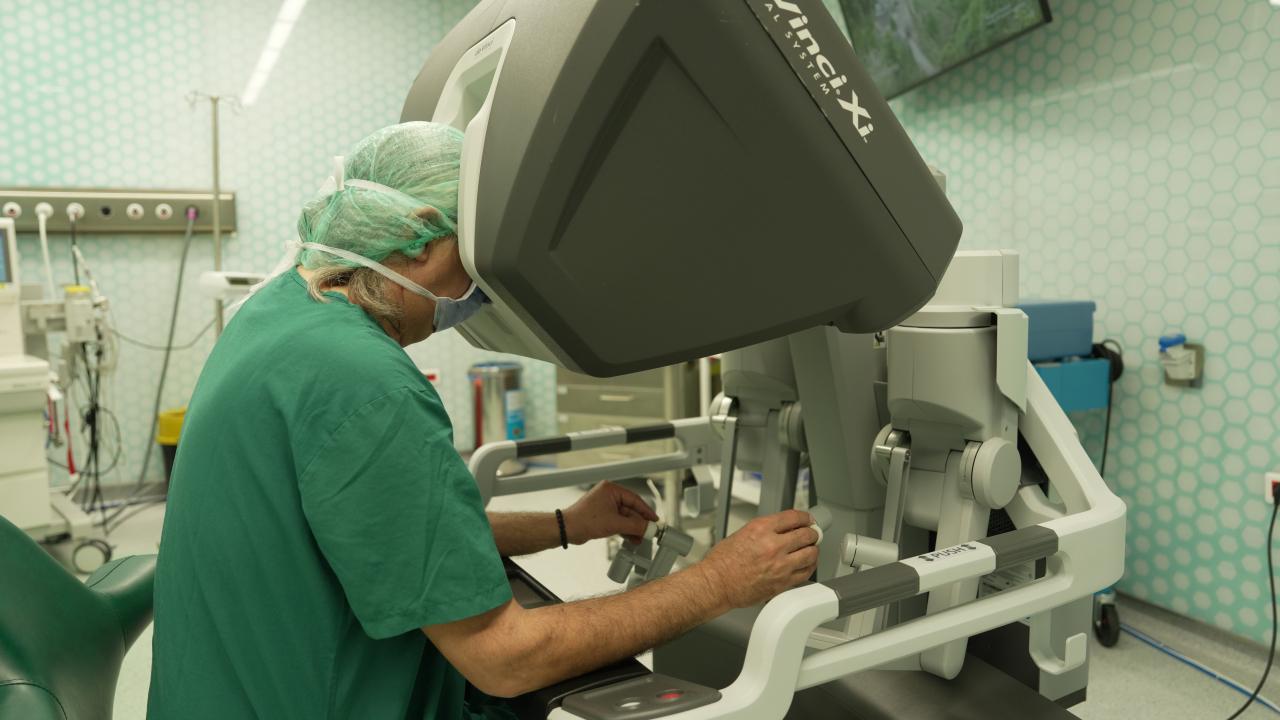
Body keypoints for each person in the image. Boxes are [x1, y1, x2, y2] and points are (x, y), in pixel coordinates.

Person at [147, 121, 819, 720]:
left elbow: (382, 530)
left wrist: (567, 524)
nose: (478, 289)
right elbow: (506, 657)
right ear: (420, 241)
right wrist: (718, 581)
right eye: (473, 260)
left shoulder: (277, 315)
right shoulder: (365, 380)